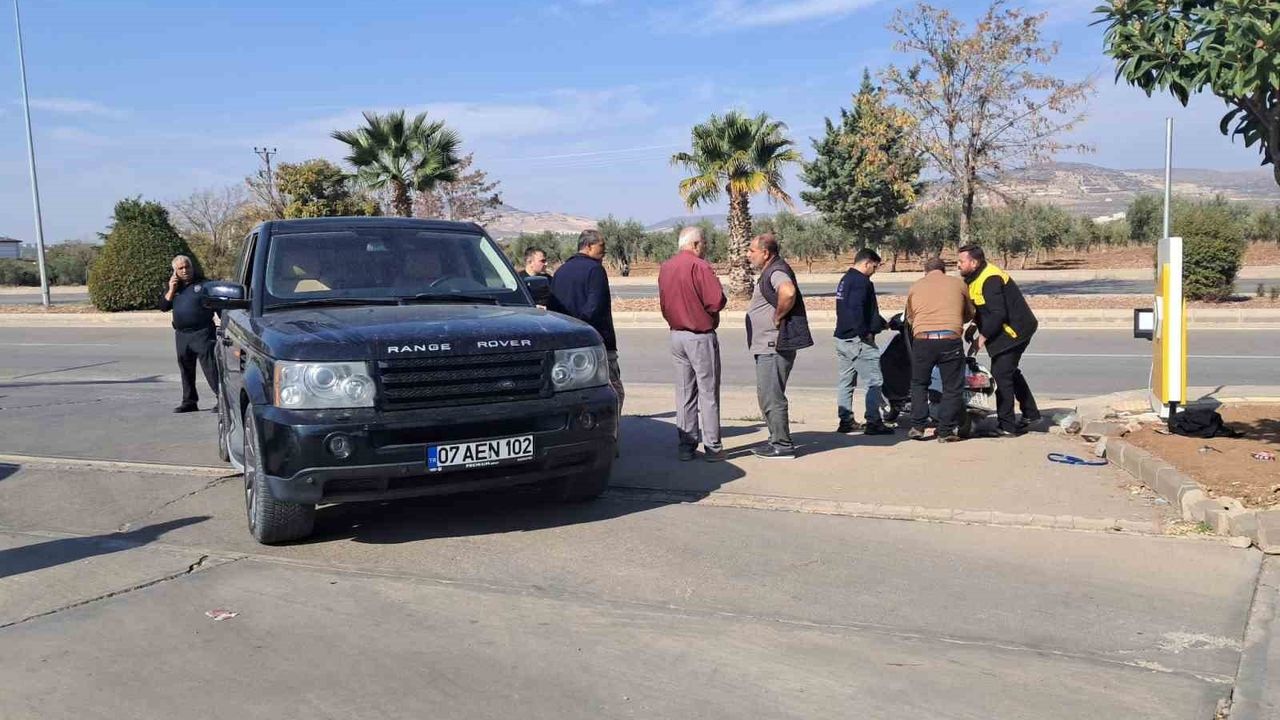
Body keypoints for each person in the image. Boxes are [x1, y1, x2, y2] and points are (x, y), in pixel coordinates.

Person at [658, 227, 728, 462]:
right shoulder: (700, 266)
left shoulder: (666, 267)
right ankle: (712, 446)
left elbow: (664, 303)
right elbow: (716, 300)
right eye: (704, 243)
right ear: (696, 244)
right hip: (699, 335)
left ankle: (686, 445)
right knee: (708, 392)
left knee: (685, 392)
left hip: (677, 334)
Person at [957, 245, 1041, 436]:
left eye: (961, 261)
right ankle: (1031, 413)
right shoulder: (975, 277)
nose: (958, 265)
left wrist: (981, 340)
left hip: (1015, 331)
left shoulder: (991, 278)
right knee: (1010, 372)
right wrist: (972, 326)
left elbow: (997, 314)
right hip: (1004, 331)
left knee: (1001, 374)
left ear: (974, 262)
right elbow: (982, 308)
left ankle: (1006, 426)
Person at [745, 233, 813, 459]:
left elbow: (788, 291)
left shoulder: (776, 271)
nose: (748, 255)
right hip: (766, 346)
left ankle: (782, 445)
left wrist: (778, 315)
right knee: (767, 394)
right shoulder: (770, 270)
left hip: (773, 346)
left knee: (772, 396)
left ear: (766, 253)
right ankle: (775, 439)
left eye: (751, 251)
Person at [549, 229, 623, 412]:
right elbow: (595, 306)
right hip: (596, 341)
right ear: (589, 246)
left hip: (564, 342)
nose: (604, 251)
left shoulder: (560, 271)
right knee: (614, 391)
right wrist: (581, 327)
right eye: (601, 247)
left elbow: (552, 307)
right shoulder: (595, 270)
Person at [904, 256, 974, 443]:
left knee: (919, 383)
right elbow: (969, 312)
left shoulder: (915, 286)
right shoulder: (958, 284)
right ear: (944, 270)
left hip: (923, 340)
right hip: (950, 339)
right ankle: (945, 431)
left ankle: (918, 426)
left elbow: (910, 317)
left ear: (926, 271)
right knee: (952, 387)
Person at [833, 248, 892, 435]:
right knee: (874, 380)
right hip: (857, 340)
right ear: (866, 263)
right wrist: (865, 333)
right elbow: (857, 310)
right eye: (874, 267)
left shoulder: (846, 280)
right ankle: (874, 422)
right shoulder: (861, 282)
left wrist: (882, 323)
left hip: (842, 337)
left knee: (846, 381)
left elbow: (855, 309)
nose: (874, 271)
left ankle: (846, 421)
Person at [158, 254, 219, 414]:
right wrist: (171, 289)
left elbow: (220, 307)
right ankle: (189, 401)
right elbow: (164, 306)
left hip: (203, 333)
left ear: (192, 267)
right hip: (182, 335)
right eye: (181, 268)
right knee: (186, 369)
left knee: (211, 368)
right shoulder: (174, 287)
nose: (185, 270)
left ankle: (222, 399)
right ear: (175, 271)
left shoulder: (205, 285)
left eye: (187, 267)